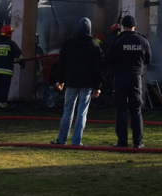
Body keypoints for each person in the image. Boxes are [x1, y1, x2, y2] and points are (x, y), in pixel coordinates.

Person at [51, 18, 102, 146]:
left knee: (67, 110)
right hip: (87, 83)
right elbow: (97, 69)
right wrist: (97, 87)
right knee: (82, 112)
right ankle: (76, 141)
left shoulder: (68, 43)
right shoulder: (94, 45)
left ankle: (61, 140)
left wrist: (60, 80)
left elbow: (61, 62)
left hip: (71, 81)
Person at [104, 15, 151, 148]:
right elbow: (148, 60)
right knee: (136, 109)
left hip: (120, 77)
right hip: (136, 78)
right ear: (135, 26)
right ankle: (138, 142)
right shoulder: (143, 41)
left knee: (121, 109)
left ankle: (122, 141)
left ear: (122, 26)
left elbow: (108, 58)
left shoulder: (117, 41)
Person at [0, 25, 24, 109]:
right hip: (6, 71)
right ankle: (2, 104)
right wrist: (22, 63)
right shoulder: (11, 44)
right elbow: (18, 56)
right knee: (4, 88)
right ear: (8, 34)